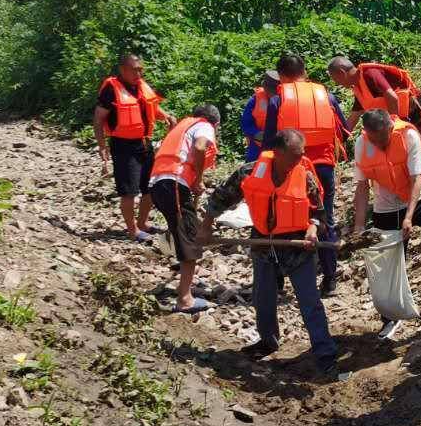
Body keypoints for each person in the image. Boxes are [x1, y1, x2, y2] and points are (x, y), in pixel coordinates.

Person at [197, 129, 342, 380]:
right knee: (263, 298)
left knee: (310, 303)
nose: (299, 160)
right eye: (294, 156)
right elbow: (221, 197)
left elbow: (319, 216)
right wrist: (206, 226)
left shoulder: (305, 174)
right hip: (264, 243)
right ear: (276, 153)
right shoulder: (251, 171)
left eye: (301, 155)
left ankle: (325, 354)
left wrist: (312, 230)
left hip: (297, 247)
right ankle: (268, 341)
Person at [350, 108, 421, 340]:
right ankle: (391, 316)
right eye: (375, 140)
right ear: (367, 134)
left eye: (383, 138)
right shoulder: (362, 145)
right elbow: (362, 187)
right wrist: (359, 225)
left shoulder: (408, 136)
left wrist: (409, 216)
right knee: (387, 256)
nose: (380, 144)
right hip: (386, 205)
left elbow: (417, 178)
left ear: (390, 128)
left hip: (419, 196)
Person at [262, 54, 349, 295]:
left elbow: (270, 142)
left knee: (279, 220)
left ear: (281, 76)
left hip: (290, 168)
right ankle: (330, 280)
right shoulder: (327, 96)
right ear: (305, 71)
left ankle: (278, 280)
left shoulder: (277, 100)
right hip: (323, 167)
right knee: (325, 220)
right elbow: (344, 129)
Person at [94, 53, 174, 243]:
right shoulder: (111, 89)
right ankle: (132, 230)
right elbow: (98, 119)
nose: (139, 73)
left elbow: (152, 109)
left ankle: (143, 223)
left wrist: (167, 117)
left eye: (140, 69)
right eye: (134, 70)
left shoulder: (141, 87)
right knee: (128, 191)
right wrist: (102, 145)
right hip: (123, 146)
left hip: (144, 143)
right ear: (122, 70)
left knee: (151, 187)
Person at [148, 104, 221, 313]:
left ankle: (182, 277)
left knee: (182, 232)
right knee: (191, 237)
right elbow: (199, 147)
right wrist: (198, 178)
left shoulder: (182, 126)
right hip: (173, 183)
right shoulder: (205, 126)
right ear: (214, 123)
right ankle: (185, 299)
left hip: (158, 184)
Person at [326, 57, 421, 135]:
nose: (337, 83)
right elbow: (353, 119)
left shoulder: (370, 74)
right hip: (401, 116)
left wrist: (393, 128)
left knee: (414, 147)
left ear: (342, 73)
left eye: (335, 79)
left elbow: (392, 97)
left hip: (415, 108)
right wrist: (340, 138)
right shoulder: (359, 90)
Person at [238, 71, 280, 162]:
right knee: (252, 169)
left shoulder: (286, 99)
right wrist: (256, 133)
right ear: (264, 87)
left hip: (279, 146)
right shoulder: (255, 99)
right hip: (257, 146)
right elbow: (246, 123)